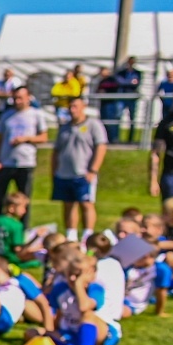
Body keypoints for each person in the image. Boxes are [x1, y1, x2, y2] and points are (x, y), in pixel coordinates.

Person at [52, 95, 108, 241]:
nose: (72, 110)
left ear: (84, 107)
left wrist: (93, 170)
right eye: (70, 107)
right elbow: (56, 151)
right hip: (64, 173)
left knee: (86, 204)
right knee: (68, 204)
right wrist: (54, 170)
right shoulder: (65, 127)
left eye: (75, 106)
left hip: (83, 172)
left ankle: (87, 235)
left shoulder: (93, 125)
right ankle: (71, 235)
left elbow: (101, 147)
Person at [0, 87, 49, 219]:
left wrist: (26, 139)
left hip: (25, 162)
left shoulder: (36, 114)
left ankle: (23, 227)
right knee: (0, 197)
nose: (17, 101)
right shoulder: (6, 115)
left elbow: (43, 137)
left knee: (24, 199)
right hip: (6, 162)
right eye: (15, 98)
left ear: (28, 98)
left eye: (20, 98)